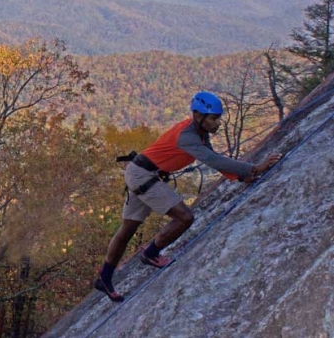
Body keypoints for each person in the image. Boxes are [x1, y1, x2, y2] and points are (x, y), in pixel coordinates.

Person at [94, 91, 282, 302]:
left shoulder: (199, 132)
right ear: (197, 115)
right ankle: (150, 253)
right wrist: (253, 168)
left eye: (217, 118)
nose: (217, 123)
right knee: (184, 217)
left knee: (127, 229)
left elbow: (215, 159)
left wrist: (241, 176)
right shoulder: (188, 137)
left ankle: (105, 277)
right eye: (213, 118)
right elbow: (214, 160)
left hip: (139, 171)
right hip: (143, 175)